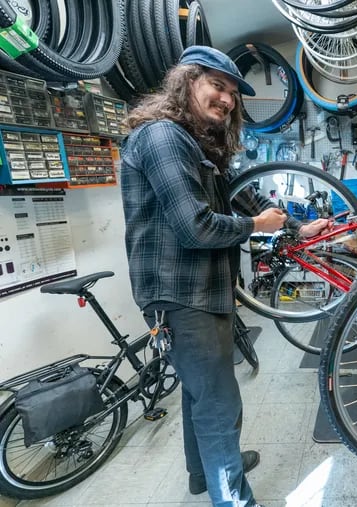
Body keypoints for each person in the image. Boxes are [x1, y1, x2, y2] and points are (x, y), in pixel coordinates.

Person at [120, 45, 326, 507]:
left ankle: (204, 473)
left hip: (203, 290)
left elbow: (243, 199)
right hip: (182, 294)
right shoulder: (163, 139)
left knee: (201, 395)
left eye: (233, 92)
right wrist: (258, 228)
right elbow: (195, 227)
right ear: (187, 81)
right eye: (217, 85)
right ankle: (233, 497)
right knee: (218, 404)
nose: (227, 99)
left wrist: (297, 226)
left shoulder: (195, 144)